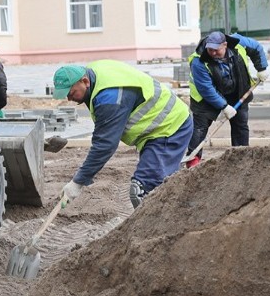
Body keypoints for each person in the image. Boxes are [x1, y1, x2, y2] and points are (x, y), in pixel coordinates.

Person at [53, 60, 192, 209]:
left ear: (85, 81)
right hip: (157, 131)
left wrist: (78, 182)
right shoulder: (94, 71)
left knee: (143, 189)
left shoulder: (110, 98)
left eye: (71, 93)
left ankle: (161, 228)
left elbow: (105, 145)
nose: (69, 99)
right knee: (162, 183)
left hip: (169, 128)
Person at [185, 31, 268, 168]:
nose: (212, 53)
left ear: (225, 45)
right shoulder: (198, 61)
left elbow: (257, 48)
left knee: (240, 125)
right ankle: (193, 159)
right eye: (210, 49)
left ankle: (241, 157)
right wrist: (224, 106)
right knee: (200, 129)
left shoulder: (239, 43)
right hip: (204, 98)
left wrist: (262, 68)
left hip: (237, 92)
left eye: (216, 50)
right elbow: (206, 89)